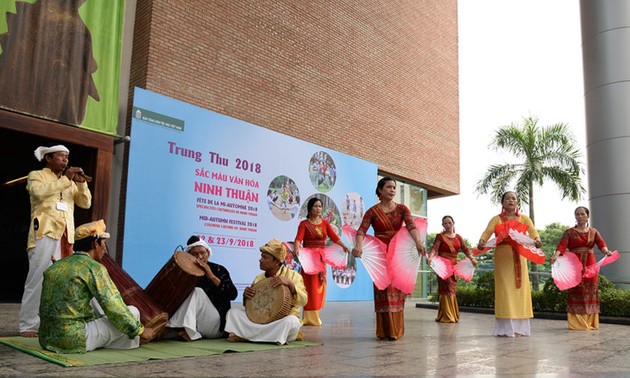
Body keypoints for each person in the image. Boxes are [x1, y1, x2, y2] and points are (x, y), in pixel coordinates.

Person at [38, 220, 155, 353]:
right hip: (73, 340)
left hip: (46, 338)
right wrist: (140, 330)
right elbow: (113, 305)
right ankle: (130, 341)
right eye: (104, 243)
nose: (104, 248)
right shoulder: (94, 267)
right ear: (95, 243)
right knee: (133, 312)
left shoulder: (57, 266)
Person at [20, 144, 92, 337]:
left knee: (62, 281)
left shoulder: (70, 182)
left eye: (67, 157)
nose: (65, 160)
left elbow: (85, 203)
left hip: (66, 236)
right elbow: (38, 193)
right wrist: (67, 179)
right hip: (44, 232)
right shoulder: (36, 175)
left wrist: (81, 183)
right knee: (38, 278)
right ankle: (28, 325)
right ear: (48, 158)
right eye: (61, 156)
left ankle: (56, 322)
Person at [352, 177, 426, 340]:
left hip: (398, 252)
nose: (392, 190)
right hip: (380, 253)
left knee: (397, 290)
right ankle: (385, 331)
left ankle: (395, 331)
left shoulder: (402, 209)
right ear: (379, 190)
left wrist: (419, 242)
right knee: (383, 289)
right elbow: (361, 231)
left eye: (394, 187)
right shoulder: (372, 211)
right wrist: (358, 246)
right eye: (389, 187)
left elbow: (411, 226)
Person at [477, 191, 542, 337]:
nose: (511, 200)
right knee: (504, 290)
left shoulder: (524, 218)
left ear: (517, 202)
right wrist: (482, 241)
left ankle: (519, 329)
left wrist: (537, 240)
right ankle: (505, 329)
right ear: (502, 203)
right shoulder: (497, 219)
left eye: (513, 198)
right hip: (502, 257)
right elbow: (487, 232)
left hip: (520, 255)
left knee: (520, 290)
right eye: (507, 198)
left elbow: (533, 232)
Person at [224, 239, 307, 345]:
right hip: (260, 322)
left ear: (277, 261)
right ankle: (272, 337)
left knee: (292, 321)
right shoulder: (259, 279)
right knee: (233, 313)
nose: (260, 260)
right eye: (261, 256)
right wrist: (246, 297)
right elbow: (251, 309)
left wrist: (290, 284)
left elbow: (304, 301)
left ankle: (248, 336)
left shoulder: (293, 276)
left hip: (280, 322)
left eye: (264, 257)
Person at [550, 206, 613, 330]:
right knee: (575, 290)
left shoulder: (594, 231)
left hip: (590, 263)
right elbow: (562, 245)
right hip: (574, 264)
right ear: (575, 217)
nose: (580, 216)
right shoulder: (569, 232)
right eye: (577, 214)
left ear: (587, 216)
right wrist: (556, 256)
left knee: (590, 290)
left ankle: (590, 322)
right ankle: (577, 323)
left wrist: (606, 251)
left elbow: (601, 244)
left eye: (582, 214)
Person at [165, 236, 237, 340]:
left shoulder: (219, 269)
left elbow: (232, 294)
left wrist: (211, 275)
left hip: (216, 326)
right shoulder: (186, 273)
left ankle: (189, 332)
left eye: (203, 252)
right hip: (197, 325)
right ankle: (181, 329)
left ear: (208, 253)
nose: (200, 256)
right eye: (195, 254)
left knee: (197, 292)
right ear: (189, 256)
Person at [294, 197, 350, 326]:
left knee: (319, 286)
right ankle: (308, 317)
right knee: (309, 287)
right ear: (310, 209)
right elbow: (298, 239)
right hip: (308, 259)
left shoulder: (325, 223)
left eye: (320, 206)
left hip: (321, 258)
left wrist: (344, 246)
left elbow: (334, 237)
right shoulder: (304, 224)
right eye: (316, 206)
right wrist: (296, 249)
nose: (318, 209)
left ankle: (315, 316)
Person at [427, 215, 477, 323]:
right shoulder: (440, 237)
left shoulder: (458, 237)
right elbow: (434, 249)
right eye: (445, 223)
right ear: (442, 225)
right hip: (443, 267)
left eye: (449, 223)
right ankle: (447, 316)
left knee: (452, 289)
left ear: (453, 223)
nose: (447, 225)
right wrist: (430, 257)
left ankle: (450, 315)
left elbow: (466, 249)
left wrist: (472, 259)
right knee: (446, 289)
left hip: (454, 266)